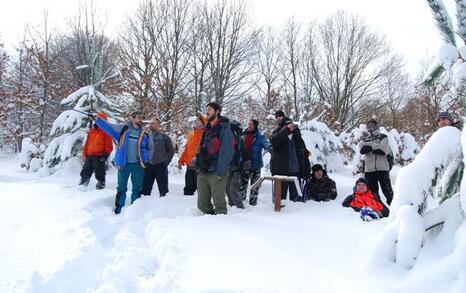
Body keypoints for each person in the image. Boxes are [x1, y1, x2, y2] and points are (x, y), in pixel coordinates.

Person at [94, 111, 150, 214]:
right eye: (139, 117)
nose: (141, 120)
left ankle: (135, 211)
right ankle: (119, 209)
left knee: (137, 189)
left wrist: (145, 157)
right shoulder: (123, 129)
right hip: (124, 164)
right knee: (121, 188)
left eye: (143, 117)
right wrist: (98, 120)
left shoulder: (145, 133)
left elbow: (150, 148)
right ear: (133, 118)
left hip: (138, 165)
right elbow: (109, 127)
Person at [195, 102, 234, 215]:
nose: (207, 112)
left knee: (219, 205)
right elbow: (201, 148)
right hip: (203, 170)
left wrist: (220, 171)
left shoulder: (224, 129)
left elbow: (227, 151)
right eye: (206, 109)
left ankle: (221, 227)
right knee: (202, 204)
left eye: (210, 109)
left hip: (217, 171)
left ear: (217, 112)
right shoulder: (206, 129)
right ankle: (211, 223)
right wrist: (197, 164)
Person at [270, 110, 310, 202]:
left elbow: (304, 154)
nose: (290, 126)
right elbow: (274, 141)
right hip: (280, 172)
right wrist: (286, 130)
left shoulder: (298, 137)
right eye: (286, 125)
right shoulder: (277, 133)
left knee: (296, 202)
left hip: (296, 172)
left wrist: (306, 171)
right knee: (279, 201)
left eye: (290, 124)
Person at [359, 119, 394, 206]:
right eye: (368, 126)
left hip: (382, 168)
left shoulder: (383, 137)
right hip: (369, 170)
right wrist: (374, 146)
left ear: (376, 126)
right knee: (373, 192)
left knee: (387, 191)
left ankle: (394, 208)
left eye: (372, 126)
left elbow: (382, 150)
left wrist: (370, 146)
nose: (370, 128)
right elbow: (362, 150)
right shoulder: (365, 138)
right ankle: (378, 208)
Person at [239, 119, 272, 206]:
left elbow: (265, 143)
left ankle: (253, 204)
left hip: (256, 165)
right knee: (242, 185)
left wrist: (269, 147)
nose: (249, 126)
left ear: (255, 126)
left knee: (255, 186)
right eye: (248, 124)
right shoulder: (242, 135)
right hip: (245, 164)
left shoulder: (259, 136)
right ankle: (241, 203)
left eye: (251, 125)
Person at [141, 117, 175, 197]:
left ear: (158, 125)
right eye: (150, 123)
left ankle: (163, 208)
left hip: (161, 166)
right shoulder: (147, 137)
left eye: (153, 123)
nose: (150, 125)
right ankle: (143, 207)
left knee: (164, 191)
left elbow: (171, 151)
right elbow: (144, 149)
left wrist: (165, 163)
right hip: (148, 166)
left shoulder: (164, 137)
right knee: (145, 190)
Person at [79, 112, 113, 189]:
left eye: (97, 118)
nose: (95, 120)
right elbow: (87, 143)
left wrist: (105, 154)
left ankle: (100, 187)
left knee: (100, 173)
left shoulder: (106, 131)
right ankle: (82, 186)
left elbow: (109, 145)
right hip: (90, 155)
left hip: (99, 156)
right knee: (85, 172)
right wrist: (85, 154)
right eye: (95, 119)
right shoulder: (92, 131)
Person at [177, 115, 208, 195]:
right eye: (196, 120)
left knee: (201, 191)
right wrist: (181, 161)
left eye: (199, 120)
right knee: (188, 189)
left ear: (203, 123)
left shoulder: (206, 135)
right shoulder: (191, 134)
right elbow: (186, 149)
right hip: (189, 166)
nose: (196, 122)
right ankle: (185, 206)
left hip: (200, 167)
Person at [225, 120, 245, 209]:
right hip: (229, 167)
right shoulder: (228, 138)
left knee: (233, 189)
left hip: (237, 168)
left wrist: (241, 166)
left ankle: (240, 208)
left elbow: (241, 153)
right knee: (227, 189)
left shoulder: (239, 139)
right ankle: (232, 206)